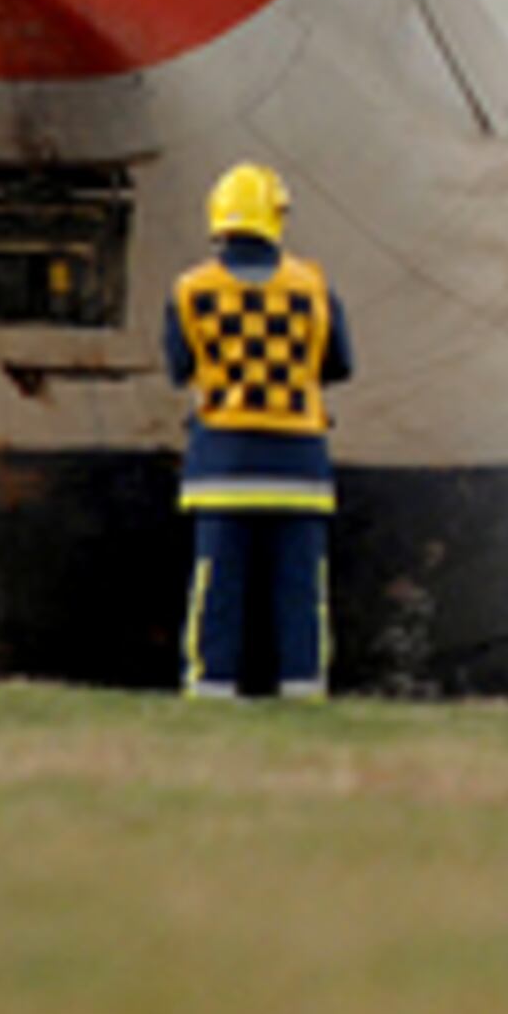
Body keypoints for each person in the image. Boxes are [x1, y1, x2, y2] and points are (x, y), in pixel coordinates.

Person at [161, 162, 354, 700]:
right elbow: (339, 364)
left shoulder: (190, 291)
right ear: (276, 217)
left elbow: (179, 367)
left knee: (217, 588)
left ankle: (210, 689)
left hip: (221, 465)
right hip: (299, 466)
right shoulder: (311, 287)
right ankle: (303, 688)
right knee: (299, 593)